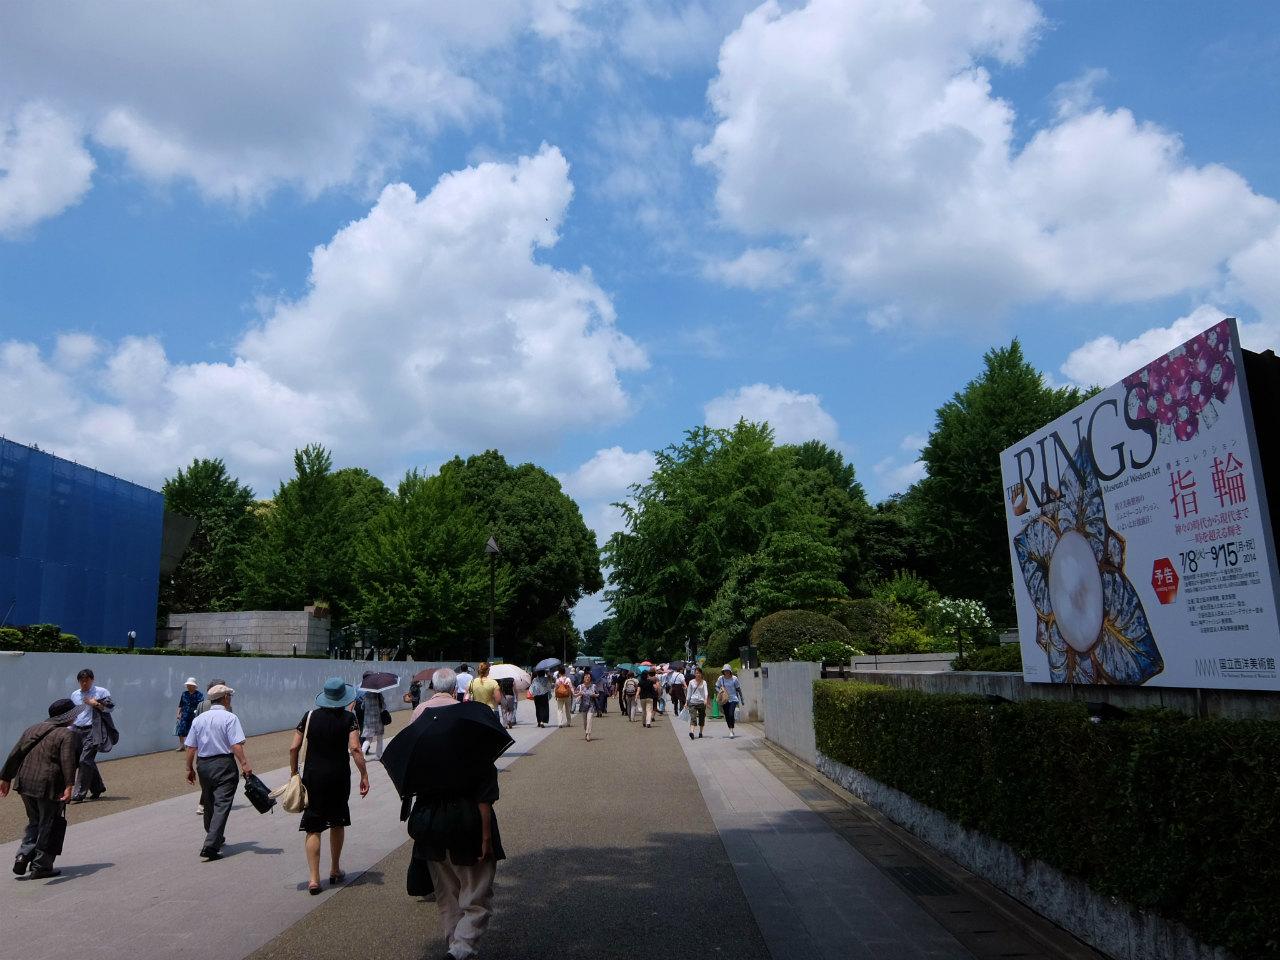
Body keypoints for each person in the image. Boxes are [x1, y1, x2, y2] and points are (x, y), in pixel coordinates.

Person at [406, 667, 506, 960]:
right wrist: (486, 837)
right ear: (456, 691)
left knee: (447, 896)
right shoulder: (472, 741)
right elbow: (484, 796)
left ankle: (454, 946)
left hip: (431, 821)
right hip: (467, 821)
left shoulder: (422, 734)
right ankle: (460, 950)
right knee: (477, 896)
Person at [290, 678, 370, 894]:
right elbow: (355, 748)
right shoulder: (349, 718)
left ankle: (314, 879)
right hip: (338, 776)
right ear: (343, 698)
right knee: (337, 821)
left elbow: (294, 747)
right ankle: (334, 869)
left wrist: (294, 772)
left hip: (313, 776)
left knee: (313, 826)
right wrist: (364, 774)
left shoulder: (309, 716)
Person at [1, 698, 83, 880]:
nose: (76, 717)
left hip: (25, 783)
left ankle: (23, 856)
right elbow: (67, 760)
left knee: (35, 821)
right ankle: (41, 866)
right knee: (49, 823)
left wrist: (5, 777)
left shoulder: (33, 728)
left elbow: (16, 752)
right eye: (74, 714)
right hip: (48, 785)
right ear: (67, 716)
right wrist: (69, 785)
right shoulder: (66, 734)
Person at [184, 683, 254, 860]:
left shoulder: (199, 719)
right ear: (225, 698)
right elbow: (235, 744)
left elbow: (191, 747)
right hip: (224, 764)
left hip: (203, 765)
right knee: (222, 804)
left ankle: (213, 834)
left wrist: (189, 768)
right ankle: (210, 845)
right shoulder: (230, 718)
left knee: (209, 801)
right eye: (229, 696)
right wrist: (245, 764)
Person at [70, 668, 116, 802]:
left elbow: (110, 708)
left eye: (87, 680)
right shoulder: (75, 694)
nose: (84, 683)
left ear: (92, 679)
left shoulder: (101, 692)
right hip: (77, 730)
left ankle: (79, 793)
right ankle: (97, 787)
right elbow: (73, 713)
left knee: (84, 760)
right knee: (85, 760)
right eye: (81, 681)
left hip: (93, 729)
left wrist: (95, 703)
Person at [360, 677, 387, 759]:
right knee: (379, 738)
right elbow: (384, 706)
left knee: (369, 739)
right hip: (378, 720)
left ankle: (362, 753)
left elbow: (362, 707)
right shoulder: (379, 694)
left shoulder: (366, 694)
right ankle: (378, 756)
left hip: (368, 721)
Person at [174, 678, 203, 750]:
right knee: (181, 730)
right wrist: (178, 714)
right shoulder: (184, 694)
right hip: (184, 714)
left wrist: (199, 715)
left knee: (192, 730)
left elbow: (200, 706)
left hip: (194, 715)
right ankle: (182, 745)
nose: (188, 687)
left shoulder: (199, 695)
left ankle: (190, 745)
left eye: (190, 685)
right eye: (188, 685)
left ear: (194, 686)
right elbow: (180, 705)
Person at [716, 665, 744, 738]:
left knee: (731, 714)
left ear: (730, 671)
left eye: (727, 671)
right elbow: (717, 687)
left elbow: (738, 689)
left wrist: (742, 699)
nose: (726, 672)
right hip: (724, 699)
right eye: (725, 671)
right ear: (723, 671)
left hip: (733, 698)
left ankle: (731, 730)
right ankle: (730, 729)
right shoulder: (721, 678)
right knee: (727, 715)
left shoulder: (734, 678)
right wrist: (720, 691)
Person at [686, 667, 709, 740]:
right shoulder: (691, 682)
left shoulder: (704, 682)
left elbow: (706, 692)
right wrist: (686, 702)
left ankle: (700, 732)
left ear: (701, 674)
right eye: (696, 673)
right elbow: (689, 693)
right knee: (693, 717)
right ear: (694, 674)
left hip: (701, 702)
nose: (698, 674)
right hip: (692, 702)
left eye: (699, 673)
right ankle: (692, 732)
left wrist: (705, 699)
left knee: (702, 718)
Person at [576, 671, 597, 742]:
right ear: (583, 678)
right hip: (583, 706)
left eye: (588, 677)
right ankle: (586, 731)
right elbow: (574, 694)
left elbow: (598, 694)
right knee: (585, 722)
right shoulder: (580, 686)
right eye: (586, 677)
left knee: (589, 719)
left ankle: (588, 734)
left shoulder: (593, 686)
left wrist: (594, 695)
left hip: (591, 706)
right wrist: (579, 694)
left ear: (590, 678)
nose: (587, 678)